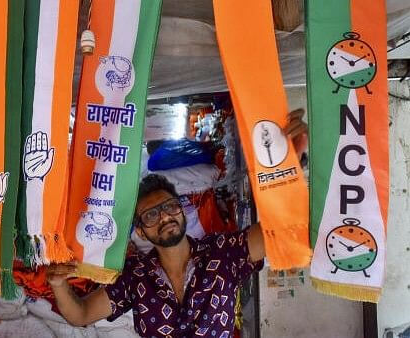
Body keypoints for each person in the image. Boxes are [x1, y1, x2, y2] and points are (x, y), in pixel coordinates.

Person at [47, 109, 308, 337]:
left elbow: (283, 231)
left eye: (170, 207)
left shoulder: (223, 253)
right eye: (151, 215)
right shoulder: (135, 277)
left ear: (182, 211)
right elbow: (80, 315)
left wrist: (290, 167)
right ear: (140, 230)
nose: (164, 216)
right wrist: (58, 285)